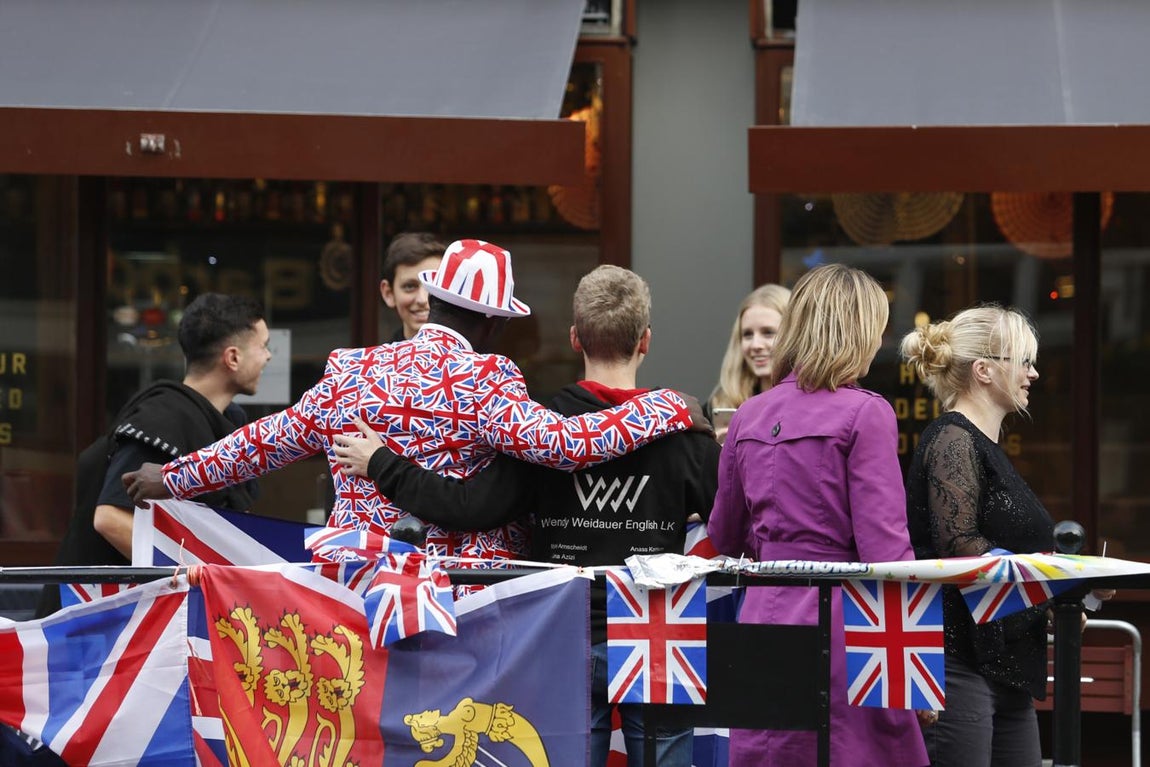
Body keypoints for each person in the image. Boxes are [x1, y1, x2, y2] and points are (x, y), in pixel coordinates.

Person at [332, 264, 720, 767]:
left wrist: (384, 464)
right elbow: (735, 527)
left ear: (575, 338)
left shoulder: (538, 430)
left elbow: (468, 508)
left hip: (564, 626)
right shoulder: (688, 437)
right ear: (645, 341)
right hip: (659, 625)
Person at [123, 240, 704, 570]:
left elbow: (266, 441)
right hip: (459, 597)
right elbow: (567, 445)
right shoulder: (486, 378)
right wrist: (670, 408)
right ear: (493, 324)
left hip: (359, 585)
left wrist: (171, 476)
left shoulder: (352, 372)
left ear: (437, 302)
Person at [706, 264, 928, 767]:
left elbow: (724, 534)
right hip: (843, 622)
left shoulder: (748, 414)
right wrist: (915, 665)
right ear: (857, 332)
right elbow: (886, 551)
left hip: (761, 617)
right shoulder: (865, 412)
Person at [40, 293, 269, 614]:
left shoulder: (228, 421)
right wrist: (197, 575)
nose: (268, 356)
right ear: (232, 358)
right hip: (103, 623)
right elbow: (110, 518)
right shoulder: (163, 418)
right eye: (263, 346)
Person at [900, 306, 1051, 767]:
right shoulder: (953, 438)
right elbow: (961, 546)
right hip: (958, 660)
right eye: (1023, 361)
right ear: (984, 370)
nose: (1033, 373)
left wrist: (1063, 591)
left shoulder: (980, 444)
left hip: (1003, 663)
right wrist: (1052, 588)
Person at [705, 283, 791, 439]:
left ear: (794, 335)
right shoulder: (720, 405)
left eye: (768, 333)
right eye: (747, 335)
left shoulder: (812, 405)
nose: (755, 345)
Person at [380, 231, 446, 342]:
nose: (423, 300)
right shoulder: (383, 354)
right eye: (410, 287)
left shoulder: (473, 352)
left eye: (433, 285)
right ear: (388, 293)